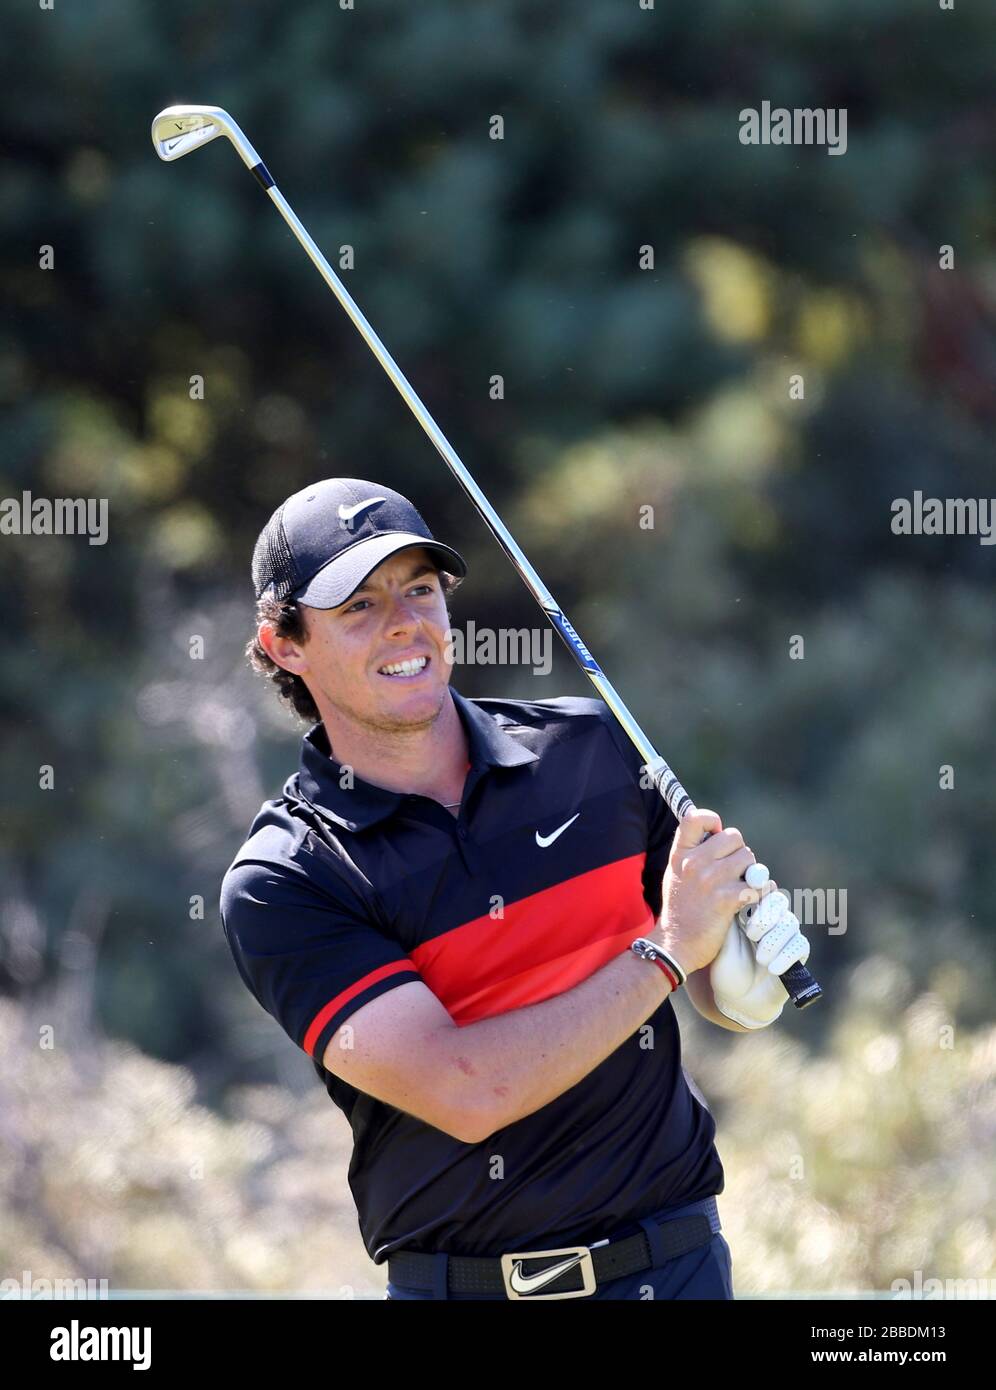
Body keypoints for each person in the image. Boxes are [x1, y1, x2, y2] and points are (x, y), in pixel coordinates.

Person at [220, 476, 810, 1300]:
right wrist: (673, 952)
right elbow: (467, 1091)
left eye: (420, 589)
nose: (405, 623)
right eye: (358, 604)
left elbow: (700, 974)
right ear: (284, 645)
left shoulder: (591, 750)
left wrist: (737, 960)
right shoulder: (288, 877)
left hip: (673, 1270)